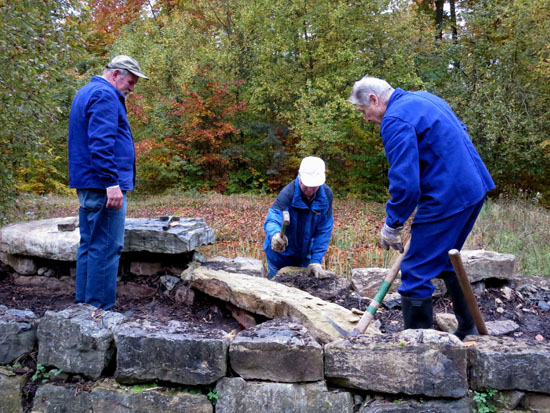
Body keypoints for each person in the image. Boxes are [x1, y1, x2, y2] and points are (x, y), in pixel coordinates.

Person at [348, 76, 495, 339]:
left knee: (415, 271)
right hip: (474, 187)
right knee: (446, 259)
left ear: (374, 99)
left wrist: (392, 224)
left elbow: (406, 185)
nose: (366, 119)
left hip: (448, 196)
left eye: (364, 111)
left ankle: (418, 351)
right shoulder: (425, 99)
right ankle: (467, 329)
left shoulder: (395, 120)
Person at [68, 55, 149, 310]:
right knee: (106, 247)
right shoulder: (105, 95)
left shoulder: (87, 91)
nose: (132, 88)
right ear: (116, 74)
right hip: (102, 185)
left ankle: (84, 306)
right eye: (131, 81)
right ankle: (99, 313)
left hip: (91, 183)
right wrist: (111, 183)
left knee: (90, 245)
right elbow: (101, 143)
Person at [263, 156, 334, 280]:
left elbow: (324, 229)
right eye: (306, 185)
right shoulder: (288, 193)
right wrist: (274, 235)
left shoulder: (326, 195)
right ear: (299, 175)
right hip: (279, 256)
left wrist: (316, 260)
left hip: (304, 257)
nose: (310, 190)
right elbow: (273, 219)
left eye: (314, 186)